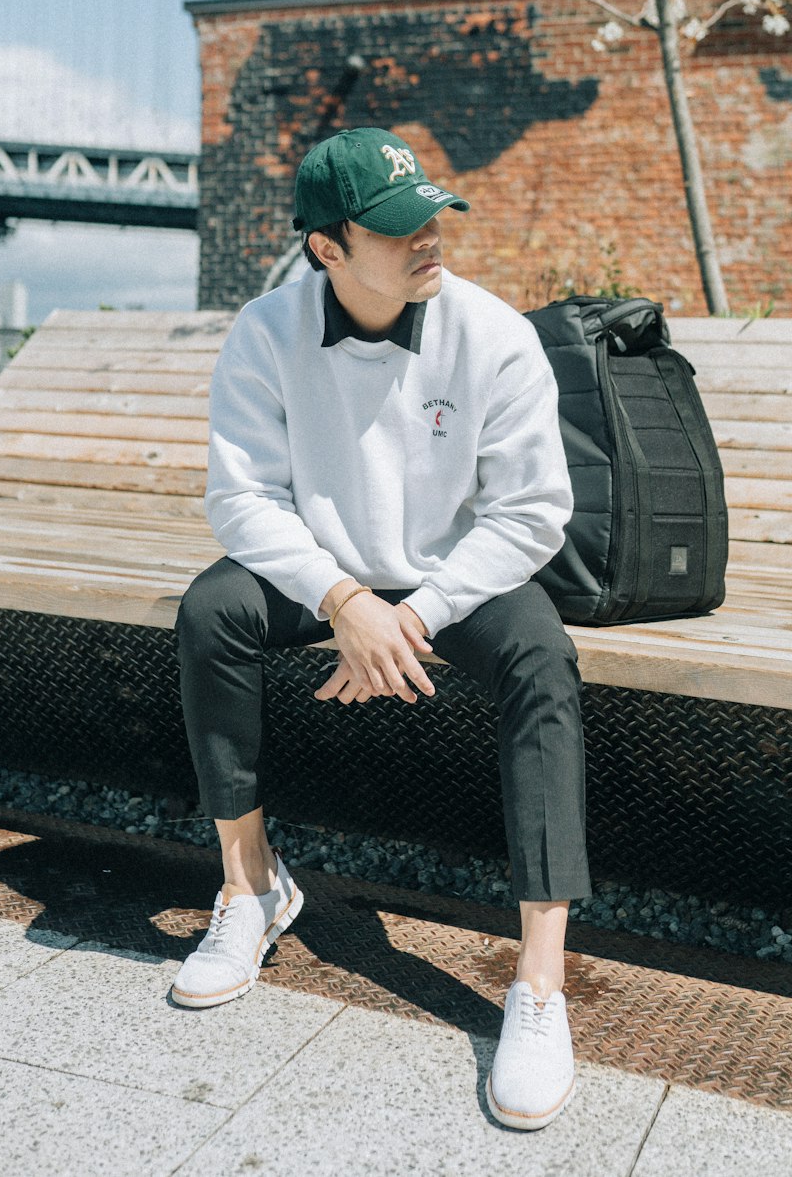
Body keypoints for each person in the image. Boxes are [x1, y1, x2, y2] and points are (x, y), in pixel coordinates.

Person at [172, 126, 591, 1131]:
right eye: (399, 227)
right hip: (328, 572)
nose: (429, 239)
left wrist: (414, 615)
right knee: (210, 612)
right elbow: (239, 498)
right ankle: (250, 885)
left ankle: (538, 982)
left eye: (434, 215)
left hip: (455, 577)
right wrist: (342, 600)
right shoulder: (266, 333)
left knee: (544, 658)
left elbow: (532, 511)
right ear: (327, 246)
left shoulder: (491, 333)